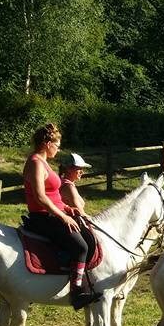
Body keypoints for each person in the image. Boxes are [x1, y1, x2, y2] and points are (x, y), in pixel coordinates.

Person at [22, 124, 102, 311]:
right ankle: (76, 293)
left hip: (54, 213)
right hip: (43, 217)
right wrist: (62, 216)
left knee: (88, 236)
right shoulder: (35, 162)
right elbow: (40, 198)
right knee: (80, 246)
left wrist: (68, 208)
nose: (58, 149)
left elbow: (53, 196)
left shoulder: (43, 162)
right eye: (57, 145)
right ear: (47, 143)